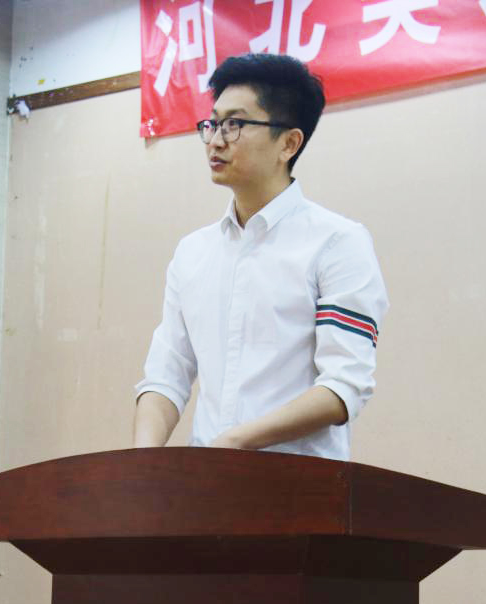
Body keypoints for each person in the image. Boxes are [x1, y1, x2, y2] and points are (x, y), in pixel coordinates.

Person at [133, 53, 388, 460]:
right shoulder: (193, 252)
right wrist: (141, 464)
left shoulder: (337, 242)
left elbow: (344, 385)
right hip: (205, 482)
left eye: (235, 124)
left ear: (288, 143)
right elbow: (167, 374)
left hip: (297, 484)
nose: (216, 140)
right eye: (213, 123)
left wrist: (237, 441)